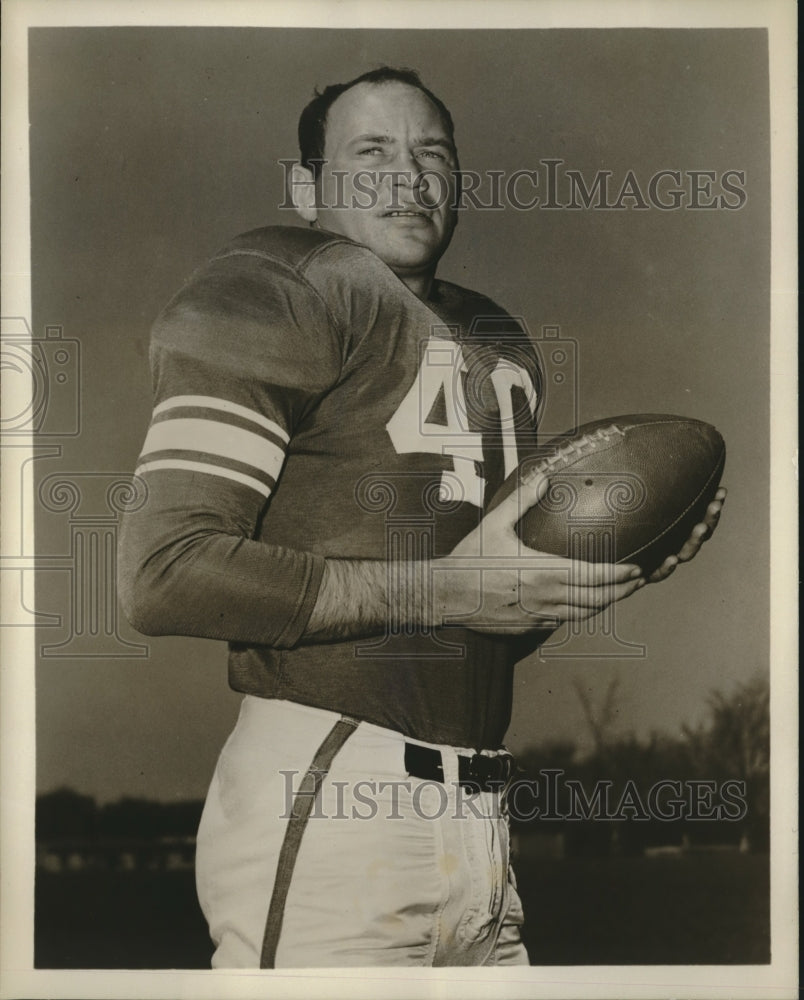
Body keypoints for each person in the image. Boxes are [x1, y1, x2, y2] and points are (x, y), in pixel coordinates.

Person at [119, 66, 724, 968]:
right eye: (371, 153)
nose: (410, 177)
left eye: (432, 154)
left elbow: (466, 623)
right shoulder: (275, 286)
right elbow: (163, 573)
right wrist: (454, 587)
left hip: (482, 815)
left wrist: (587, 579)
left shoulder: (495, 338)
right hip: (329, 793)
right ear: (304, 188)